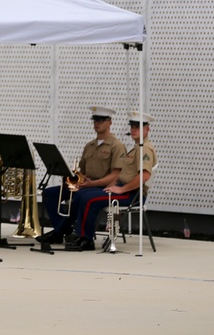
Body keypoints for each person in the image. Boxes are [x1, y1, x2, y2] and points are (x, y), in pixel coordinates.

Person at [37, 105, 126, 251]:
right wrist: (76, 178)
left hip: (101, 186)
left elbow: (115, 175)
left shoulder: (117, 146)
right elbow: (82, 171)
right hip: (87, 185)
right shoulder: (89, 146)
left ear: (110, 122)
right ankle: (63, 230)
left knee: (81, 195)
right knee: (50, 193)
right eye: (95, 120)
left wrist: (91, 184)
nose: (97, 123)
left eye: (101, 120)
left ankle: (60, 232)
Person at [104, 110, 157, 216]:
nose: (133, 130)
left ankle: (84, 232)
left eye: (138, 127)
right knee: (87, 195)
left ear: (147, 130)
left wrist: (122, 189)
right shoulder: (137, 147)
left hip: (133, 195)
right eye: (132, 126)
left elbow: (145, 175)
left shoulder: (144, 149)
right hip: (127, 190)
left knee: (89, 199)